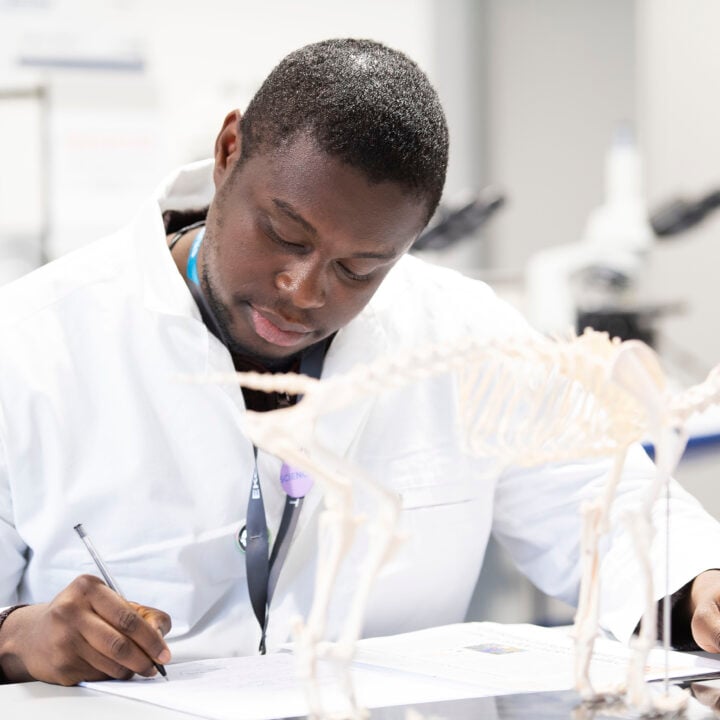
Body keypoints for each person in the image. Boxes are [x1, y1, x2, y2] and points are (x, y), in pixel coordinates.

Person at [1, 37, 720, 688]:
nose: (303, 289)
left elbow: (607, 502)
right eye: (284, 233)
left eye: (359, 268)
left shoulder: (464, 334)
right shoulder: (32, 343)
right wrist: (18, 639)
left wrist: (700, 583)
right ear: (228, 153)